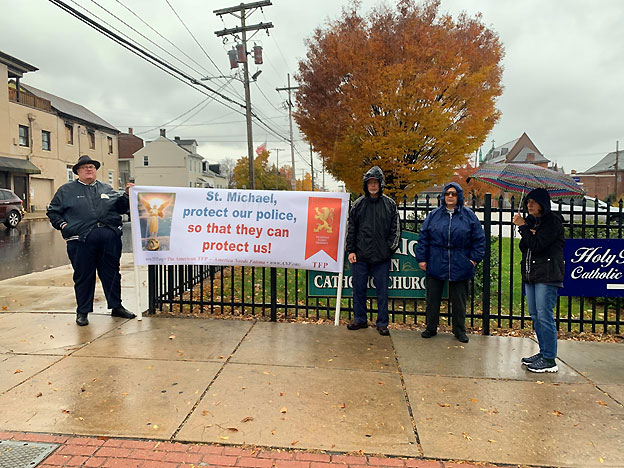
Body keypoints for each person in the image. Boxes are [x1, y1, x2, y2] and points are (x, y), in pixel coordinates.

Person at [47, 155, 136, 326]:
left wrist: (126, 196)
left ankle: (116, 306)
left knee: (112, 274)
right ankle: (83, 311)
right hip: (80, 241)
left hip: (109, 240)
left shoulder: (107, 189)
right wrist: (64, 225)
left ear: (95, 171)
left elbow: (121, 208)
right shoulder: (66, 191)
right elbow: (53, 212)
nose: (89, 169)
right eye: (85, 167)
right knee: (84, 276)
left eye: (92, 167)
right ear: (77, 172)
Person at [415, 182, 485, 343]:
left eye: (453, 194)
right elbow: (424, 237)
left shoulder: (469, 216)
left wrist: (473, 259)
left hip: (460, 261)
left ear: (459, 196)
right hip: (436, 260)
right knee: (433, 298)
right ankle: (431, 327)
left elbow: (479, 239)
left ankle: (459, 330)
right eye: (447, 194)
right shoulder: (434, 215)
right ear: (443, 196)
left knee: (459, 300)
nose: (450, 197)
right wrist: (422, 258)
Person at [513, 188, 564, 373]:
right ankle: (543, 353)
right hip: (532, 274)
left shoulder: (552, 221)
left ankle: (550, 359)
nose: (529, 205)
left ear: (543, 203)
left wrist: (523, 227)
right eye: (528, 202)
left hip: (547, 275)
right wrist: (528, 228)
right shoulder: (534, 222)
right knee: (535, 315)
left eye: (534, 201)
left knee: (544, 315)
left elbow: (537, 245)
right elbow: (524, 247)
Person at [345, 166, 401, 336]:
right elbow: (351, 228)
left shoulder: (390, 204)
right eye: (370, 183)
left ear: (380, 184)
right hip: (361, 256)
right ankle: (359, 319)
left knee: (382, 292)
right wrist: (351, 250)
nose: (373, 186)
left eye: (376, 182)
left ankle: (382, 322)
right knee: (359, 289)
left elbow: (396, 229)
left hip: (382, 258)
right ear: (366, 185)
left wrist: (389, 249)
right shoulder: (358, 204)